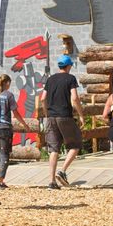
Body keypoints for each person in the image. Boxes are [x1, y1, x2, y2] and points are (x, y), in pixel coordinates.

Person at [39, 54, 85, 189]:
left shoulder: (50, 79)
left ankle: (52, 182)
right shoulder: (70, 78)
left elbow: (43, 98)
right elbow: (75, 98)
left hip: (51, 117)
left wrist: (47, 113)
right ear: (69, 65)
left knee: (54, 149)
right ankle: (62, 171)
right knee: (75, 144)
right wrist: (81, 115)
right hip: (65, 115)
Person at [0, 73, 32, 189]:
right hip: (5, 128)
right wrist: (24, 124)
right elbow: (16, 113)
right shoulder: (8, 95)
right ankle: (0, 181)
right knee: (4, 155)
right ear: (7, 83)